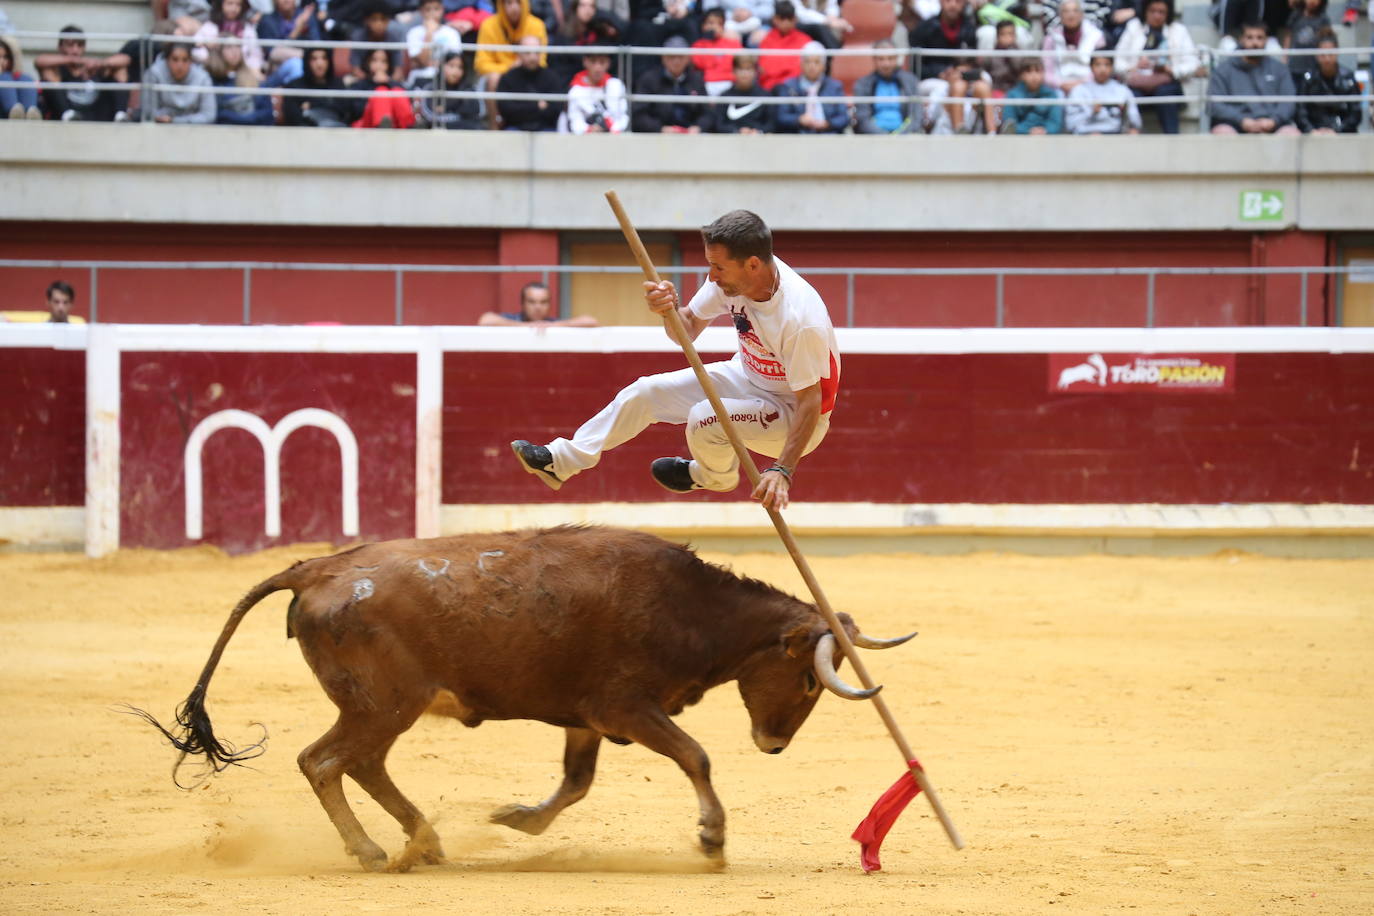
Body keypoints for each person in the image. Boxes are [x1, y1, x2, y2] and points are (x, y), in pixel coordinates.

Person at [511, 209, 840, 513]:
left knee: (704, 415)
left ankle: (714, 477)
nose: (711, 276)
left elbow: (811, 400)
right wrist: (667, 310)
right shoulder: (730, 279)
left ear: (753, 264)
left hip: (793, 414)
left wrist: (782, 470)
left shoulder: (800, 317)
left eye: (718, 267)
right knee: (646, 392)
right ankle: (561, 461)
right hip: (750, 374)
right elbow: (686, 329)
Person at [1114, 0, 1202, 134]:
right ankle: (1130, 140)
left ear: (1168, 13)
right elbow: (1117, 60)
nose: (1157, 16)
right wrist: (1134, 66)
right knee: (1130, 96)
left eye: (1161, 12)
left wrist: (1170, 69)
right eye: (1153, 11)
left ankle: (1173, 140)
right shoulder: (1133, 27)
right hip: (1138, 84)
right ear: (1145, 11)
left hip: (1167, 84)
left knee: (1165, 94)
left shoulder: (1179, 30)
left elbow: (1192, 63)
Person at [1208, 20, 1299, 134]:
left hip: (1273, 124)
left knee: (1291, 133)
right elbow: (1215, 104)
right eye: (1249, 37)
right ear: (1241, 40)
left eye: (1260, 38)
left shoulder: (1279, 69)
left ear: (1266, 40)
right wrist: (1241, 120)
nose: (1255, 43)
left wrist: (1273, 120)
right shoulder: (1223, 70)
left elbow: (1289, 102)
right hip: (1235, 124)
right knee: (1222, 132)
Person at [912, 0, 989, 132]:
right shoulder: (924, 28)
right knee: (944, 89)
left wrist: (963, 70)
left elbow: (972, 60)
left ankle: (989, 131)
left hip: (961, 76)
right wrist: (941, 73)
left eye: (958, 1)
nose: (952, 5)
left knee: (985, 80)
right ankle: (930, 125)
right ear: (940, 2)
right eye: (948, 1)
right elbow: (916, 67)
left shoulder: (969, 27)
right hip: (933, 79)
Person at [35, 25, 121, 121]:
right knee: (48, 72)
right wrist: (73, 60)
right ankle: (67, 114)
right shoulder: (56, 69)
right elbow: (39, 61)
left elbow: (126, 60)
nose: (75, 50)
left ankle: (121, 115)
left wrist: (101, 63)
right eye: (70, 45)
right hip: (64, 124)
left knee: (119, 70)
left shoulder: (94, 67)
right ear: (60, 47)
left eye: (80, 45)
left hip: (95, 122)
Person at [631, 36, 711, 133]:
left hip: (691, 137)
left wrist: (698, 127)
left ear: (688, 59)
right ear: (663, 58)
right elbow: (639, 115)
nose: (676, 61)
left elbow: (708, 113)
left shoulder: (696, 80)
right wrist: (660, 129)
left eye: (681, 56)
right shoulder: (649, 79)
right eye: (671, 56)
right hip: (657, 138)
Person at [1294, 31, 1361, 133]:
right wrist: (1311, 130)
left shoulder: (1348, 78)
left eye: (1330, 53)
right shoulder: (1308, 78)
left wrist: (1338, 130)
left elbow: (1356, 113)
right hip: (1314, 133)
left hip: (1343, 133)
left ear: (1337, 52)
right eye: (1322, 54)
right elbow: (1300, 111)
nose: (1327, 58)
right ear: (1316, 54)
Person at [774, 42, 849, 133]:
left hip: (828, 136)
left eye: (816, 62)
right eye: (807, 61)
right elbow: (782, 116)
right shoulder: (789, 86)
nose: (811, 66)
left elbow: (843, 117)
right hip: (798, 137)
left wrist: (828, 124)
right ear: (801, 64)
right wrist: (799, 120)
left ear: (824, 66)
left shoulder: (835, 86)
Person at [496, 35, 564, 130]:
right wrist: (537, 106)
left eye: (536, 53)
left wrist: (522, 108)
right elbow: (506, 110)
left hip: (545, 128)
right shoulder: (508, 78)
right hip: (515, 128)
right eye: (527, 53)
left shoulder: (552, 77)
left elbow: (556, 110)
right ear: (519, 54)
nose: (532, 57)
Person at [853, 41, 921, 134]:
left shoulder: (910, 81)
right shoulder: (863, 84)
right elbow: (863, 118)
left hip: (905, 138)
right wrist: (884, 138)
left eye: (890, 58)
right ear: (874, 60)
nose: (886, 64)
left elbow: (916, 116)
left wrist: (900, 136)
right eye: (881, 59)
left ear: (897, 58)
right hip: (873, 139)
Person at [1042, 0, 1104, 96]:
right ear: (1060, 16)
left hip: (1089, 86)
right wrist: (1060, 84)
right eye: (1066, 11)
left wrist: (1080, 84)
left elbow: (1100, 68)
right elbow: (1047, 71)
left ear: (1082, 14)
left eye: (1075, 11)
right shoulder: (1051, 38)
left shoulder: (1096, 36)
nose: (1071, 15)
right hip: (1059, 88)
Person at [474, 0, 549, 80]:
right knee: (494, 78)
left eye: (518, 2)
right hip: (501, 77)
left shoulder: (537, 25)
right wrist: (510, 68)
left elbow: (541, 62)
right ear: (502, 5)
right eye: (509, 2)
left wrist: (522, 67)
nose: (514, 7)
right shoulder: (488, 25)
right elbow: (481, 64)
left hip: (529, 74)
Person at [1066, 53, 1140, 132]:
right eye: (1098, 65)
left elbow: (1136, 121)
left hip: (1116, 135)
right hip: (1088, 135)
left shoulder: (1123, 91)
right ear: (1091, 67)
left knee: (1133, 133)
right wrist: (1092, 112)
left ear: (1112, 67)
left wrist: (1124, 113)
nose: (1102, 69)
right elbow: (1070, 124)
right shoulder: (1078, 91)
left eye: (1107, 65)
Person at [146, 42, 217, 123]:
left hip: (195, 131)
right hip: (159, 128)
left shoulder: (203, 78)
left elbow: (209, 115)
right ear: (166, 60)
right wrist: (161, 118)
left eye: (185, 60)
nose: (180, 65)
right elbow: (148, 111)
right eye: (175, 59)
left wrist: (175, 121)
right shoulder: (154, 74)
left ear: (191, 61)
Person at [282, 45, 352, 125]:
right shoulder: (294, 86)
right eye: (314, 59)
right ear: (307, 61)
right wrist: (328, 102)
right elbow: (292, 118)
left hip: (335, 132)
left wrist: (312, 104)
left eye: (324, 58)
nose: (319, 64)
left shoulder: (338, 84)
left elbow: (344, 112)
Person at [415, 50, 486, 127]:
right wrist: (460, 105)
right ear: (441, 67)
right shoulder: (431, 88)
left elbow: (478, 111)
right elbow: (430, 115)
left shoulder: (469, 89)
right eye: (451, 66)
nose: (456, 71)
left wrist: (447, 107)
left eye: (460, 67)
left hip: (466, 131)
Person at [194, 0, 264, 78]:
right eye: (230, 3)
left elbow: (255, 54)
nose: (234, 8)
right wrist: (211, 58)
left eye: (238, 5)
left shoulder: (247, 28)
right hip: (214, 71)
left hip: (241, 72)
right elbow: (196, 49)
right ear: (221, 4)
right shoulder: (209, 26)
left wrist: (251, 68)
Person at [208, 40, 274, 124]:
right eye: (228, 47)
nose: (235, 51)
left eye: (238, 46)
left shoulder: (253, 78)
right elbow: (217, 114)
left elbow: (267, 114)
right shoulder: (212, 81)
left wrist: (245, 119)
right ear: (218, 53)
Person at [563, 47, 628, 132]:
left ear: (608, 63)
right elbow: (574, 120)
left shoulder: (616, 86)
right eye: (593, 62)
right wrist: (589, 129)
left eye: (602, 62)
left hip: (613, 138)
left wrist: (613, 129)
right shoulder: (575, 90)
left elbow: (623, 116)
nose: (597, 68)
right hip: (584, 139)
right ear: (585, 62)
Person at [478, 281, 599, 325]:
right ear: (523, 303)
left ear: (549, 304)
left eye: (543, 302)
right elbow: (485, 320)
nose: (538, 307)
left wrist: (552, 326)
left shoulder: (552, 323)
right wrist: (527, 327)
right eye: (532, 302)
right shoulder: (512, 319)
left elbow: (591, 321)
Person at [352, 46, 417, 127]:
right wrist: (377, 86)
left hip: (394, 124)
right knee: (381, 91)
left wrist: (387, 82)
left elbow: (408, 102)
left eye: (384, 61)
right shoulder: (359, 85)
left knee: (396, 91)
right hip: (368, 124)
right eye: (374, 60)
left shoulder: (395, 85)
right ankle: (382, 127)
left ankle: (410, 126)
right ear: (367, 62)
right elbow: (356, 111)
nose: (379, 65)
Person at [707, 54, 773, 132]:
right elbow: (719, 125)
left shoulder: (765, 96)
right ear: (734, 71)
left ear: (755, 72)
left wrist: (758, 131)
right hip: (730, 142)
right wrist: (736, 131)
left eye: (748, 69)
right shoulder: (725, 97)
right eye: (741, 69)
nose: (744, 73)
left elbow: (771, 125)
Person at [757, 1, 812, 91]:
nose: (786, 22)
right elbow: (765, 69)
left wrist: (778, 67)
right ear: (774, 19)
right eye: (782, 18)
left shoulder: (805, 40)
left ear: (795, 19)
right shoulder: (766, 40)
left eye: (789, 18)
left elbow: (803, 70)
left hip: (796, 89)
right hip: (770, 88)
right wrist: (787, 68)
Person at [406, 0, 463, 85]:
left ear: (442, 9)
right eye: (428, 9)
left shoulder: (452, 33)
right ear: (421, 11)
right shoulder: (413, 32)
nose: (432, 13)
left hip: (446, 79)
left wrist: (435, 64)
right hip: (421, 78)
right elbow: (422, 62)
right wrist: (429, 34)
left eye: (436, 9)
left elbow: (454, 61)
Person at [1002, 56, 1063, 132]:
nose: (1033, 76)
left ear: (1043, 73)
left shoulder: (1051, 94)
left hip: (1047, 139)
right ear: (1022, 75)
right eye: (1028, 71)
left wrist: (1045, 131)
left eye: (1037, 71)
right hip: (1020, 139)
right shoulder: (1012, 95)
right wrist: (1028, 131)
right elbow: (1009, 125)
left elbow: (1055, 123)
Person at [693, 7, 743, 95]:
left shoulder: (733, 43)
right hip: (707, 85)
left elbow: (738, 64)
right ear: (703, 25)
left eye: (719, 23)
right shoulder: (698, 45)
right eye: (711, 23)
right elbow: (702, 65)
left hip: (730, 84)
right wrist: (708, 41)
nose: (715, 27)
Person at [1283, 0, 1333, 75]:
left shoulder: (1324, 19)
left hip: (1314, 64)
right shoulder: (1296, 15)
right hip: (1295, 62)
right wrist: (1285, 56)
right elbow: (1288, 36)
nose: (1312, 1)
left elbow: (1326, 41)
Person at [0, 34, 41, 119]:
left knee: (26, 79)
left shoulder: (18, 77)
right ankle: (13, 112)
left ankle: (29, 114)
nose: (2, 61)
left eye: (6, 57)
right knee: (5, 77)